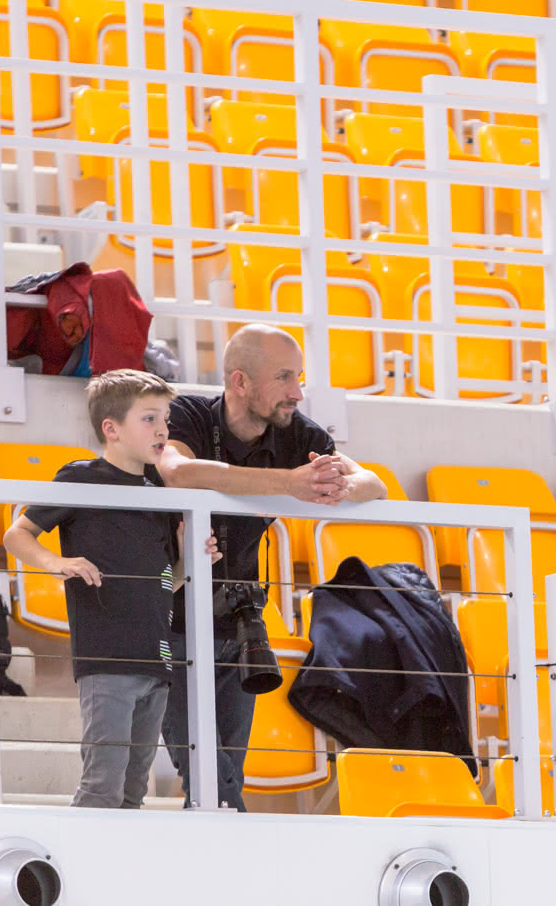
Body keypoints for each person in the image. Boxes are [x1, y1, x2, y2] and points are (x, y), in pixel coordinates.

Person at [157, 324, 388, 810]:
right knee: (207, 774)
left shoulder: (294, 429)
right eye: (284, 378)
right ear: (240, 382)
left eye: (299, 378)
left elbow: (373, 484)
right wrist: (287, 483)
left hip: (239, 622)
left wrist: (334, 486)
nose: (297, 393)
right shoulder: (188, 413)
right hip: (167, 615)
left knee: (223, 777)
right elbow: (177, 471)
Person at [4, 370, 220, 809]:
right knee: (102, 784)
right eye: (149, 418)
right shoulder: (81, 478)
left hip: (156, 663)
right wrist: (58, 563)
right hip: (107, 659)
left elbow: (166, 580)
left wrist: (191, 561)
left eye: (165, 418)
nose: (163, 429)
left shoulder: (159, 490)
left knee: (131, 793)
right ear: (112, 428)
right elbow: (17, 535)